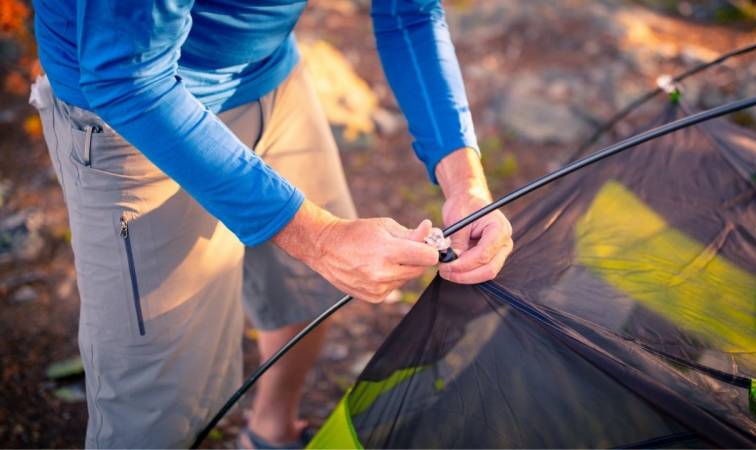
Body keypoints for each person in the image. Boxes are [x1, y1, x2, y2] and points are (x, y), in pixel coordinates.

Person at [29, 0, 513, 448]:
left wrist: (465, 184)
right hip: (131, 114)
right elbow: (124, 75)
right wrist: (318, 237)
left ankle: (269, 432)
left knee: (306, 290)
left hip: (271, 72)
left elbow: (410, 12)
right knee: (161, 403)